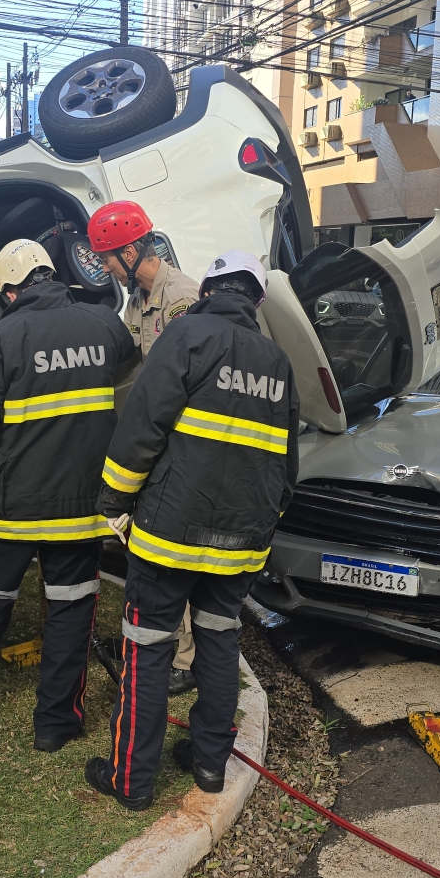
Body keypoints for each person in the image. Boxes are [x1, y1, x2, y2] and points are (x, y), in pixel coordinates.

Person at [86, 250, 299, 810]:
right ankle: (209, 764)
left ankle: (131, 779)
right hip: (241, 546)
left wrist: (113, 498)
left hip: (170, 535)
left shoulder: (185, 337)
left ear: (208, 290)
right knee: (218, 642)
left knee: (150, 647)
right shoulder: (278, 362)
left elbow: (142, 425)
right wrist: (260, 529)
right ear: (255, 300)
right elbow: (286, 470)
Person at [0, 238, 137, 753]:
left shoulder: (3, 337)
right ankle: (55, 723)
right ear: (53, 276)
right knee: (72, 607)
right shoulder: (104, 323)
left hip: (12, 505)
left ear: (8, 292)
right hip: (82, 504)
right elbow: (124, 368)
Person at [86, 200, 202, 696]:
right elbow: (133, 370)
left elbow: (181, 384)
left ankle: (187, 658)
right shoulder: (139, 299)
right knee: (149, 550)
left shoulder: (181, 299)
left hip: (182, 446)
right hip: (158, 445)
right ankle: (159, 642)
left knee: (174, 553)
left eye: (110, 258)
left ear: (133, 250)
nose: (107, 268)